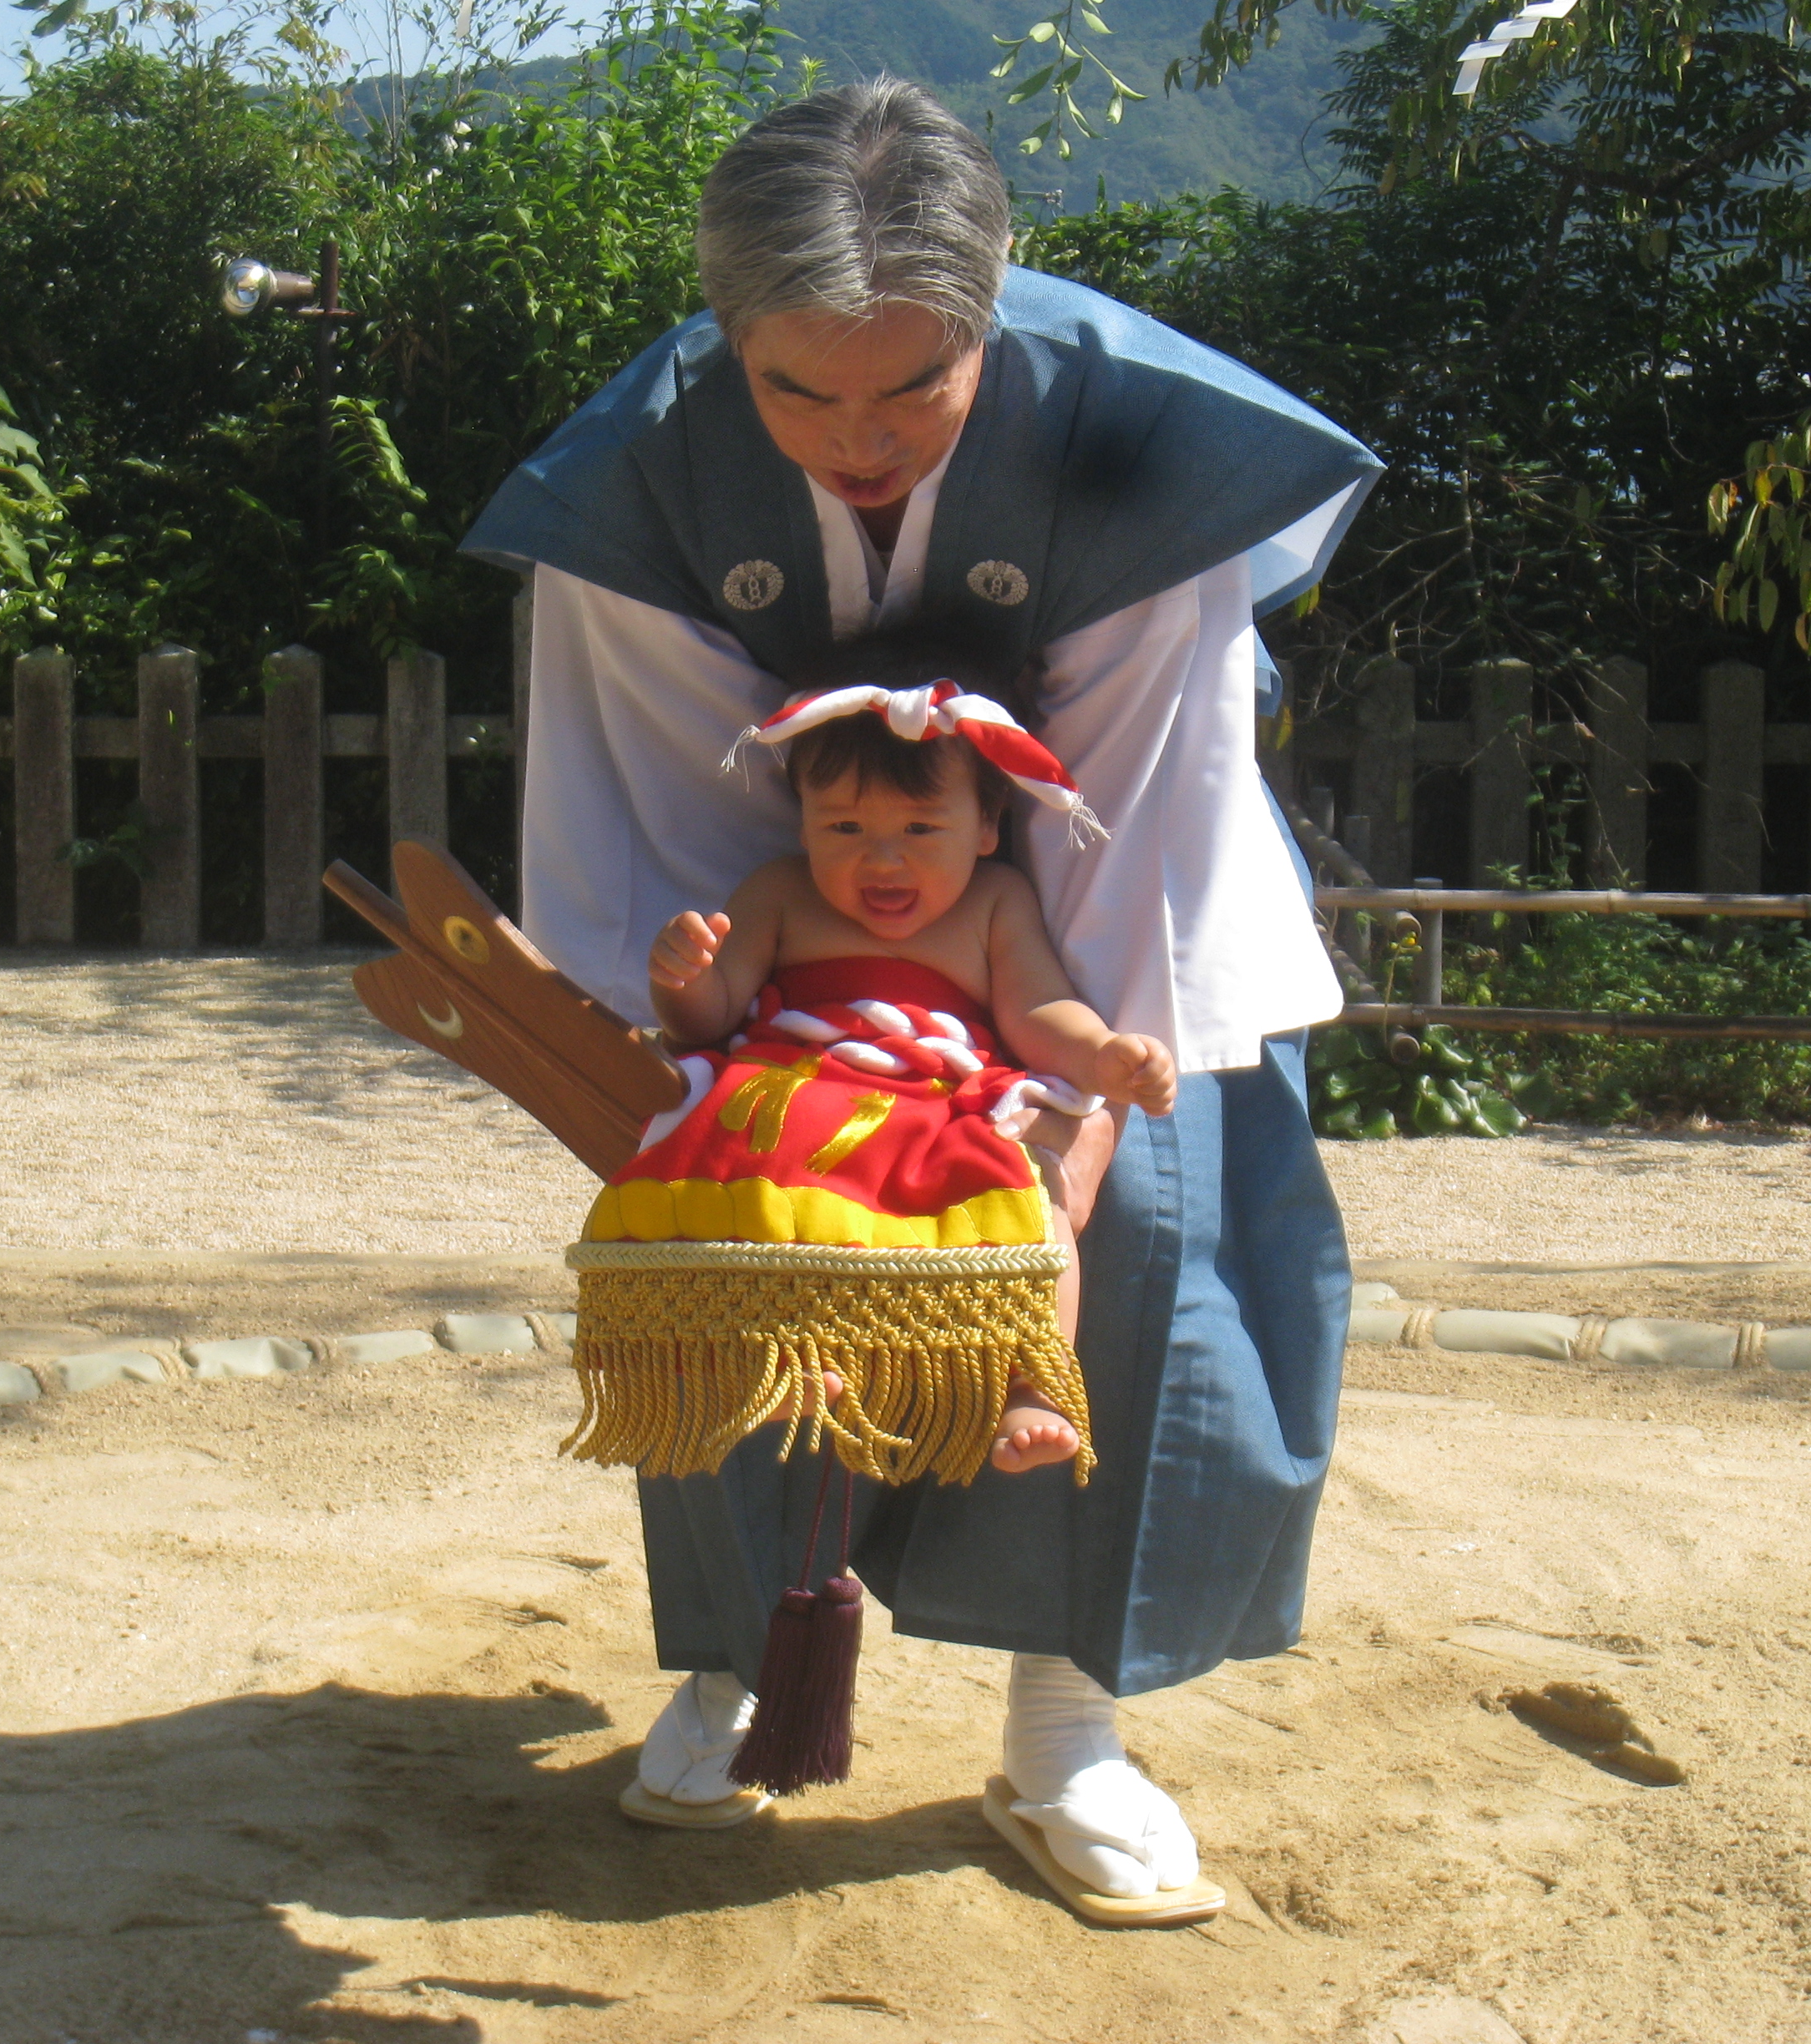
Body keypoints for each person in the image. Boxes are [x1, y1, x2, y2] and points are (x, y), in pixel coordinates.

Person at [463, 76, 1381, 1910]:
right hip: (806, 933)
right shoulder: (639, 485)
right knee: (727, 1229)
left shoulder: (1136, 455)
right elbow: (673, 827)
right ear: (728, 335)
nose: (853, 440)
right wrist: (717, 1043)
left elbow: (1140, 849)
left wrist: (1056, 1152)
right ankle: (742, 1664)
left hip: (1084, 923)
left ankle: (1068, 1730)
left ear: (996, 308)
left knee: (1139, 1259)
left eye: (913, 388)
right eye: (797, 390)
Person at [628, 637, 1180, 1477]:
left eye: (921, 828)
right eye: (843, 827)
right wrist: (686, 977)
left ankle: (1036, 1380)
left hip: (940, 1095)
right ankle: (788, 1359)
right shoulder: (780, 892)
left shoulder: (995, 903)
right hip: (800, 1079)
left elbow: (1037, 1011)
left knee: (1032, 1193)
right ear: (802, 819)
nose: (881, 858)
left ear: (988, 825)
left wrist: (1106, 1055)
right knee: (750, 1157)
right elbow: (711, 1017)